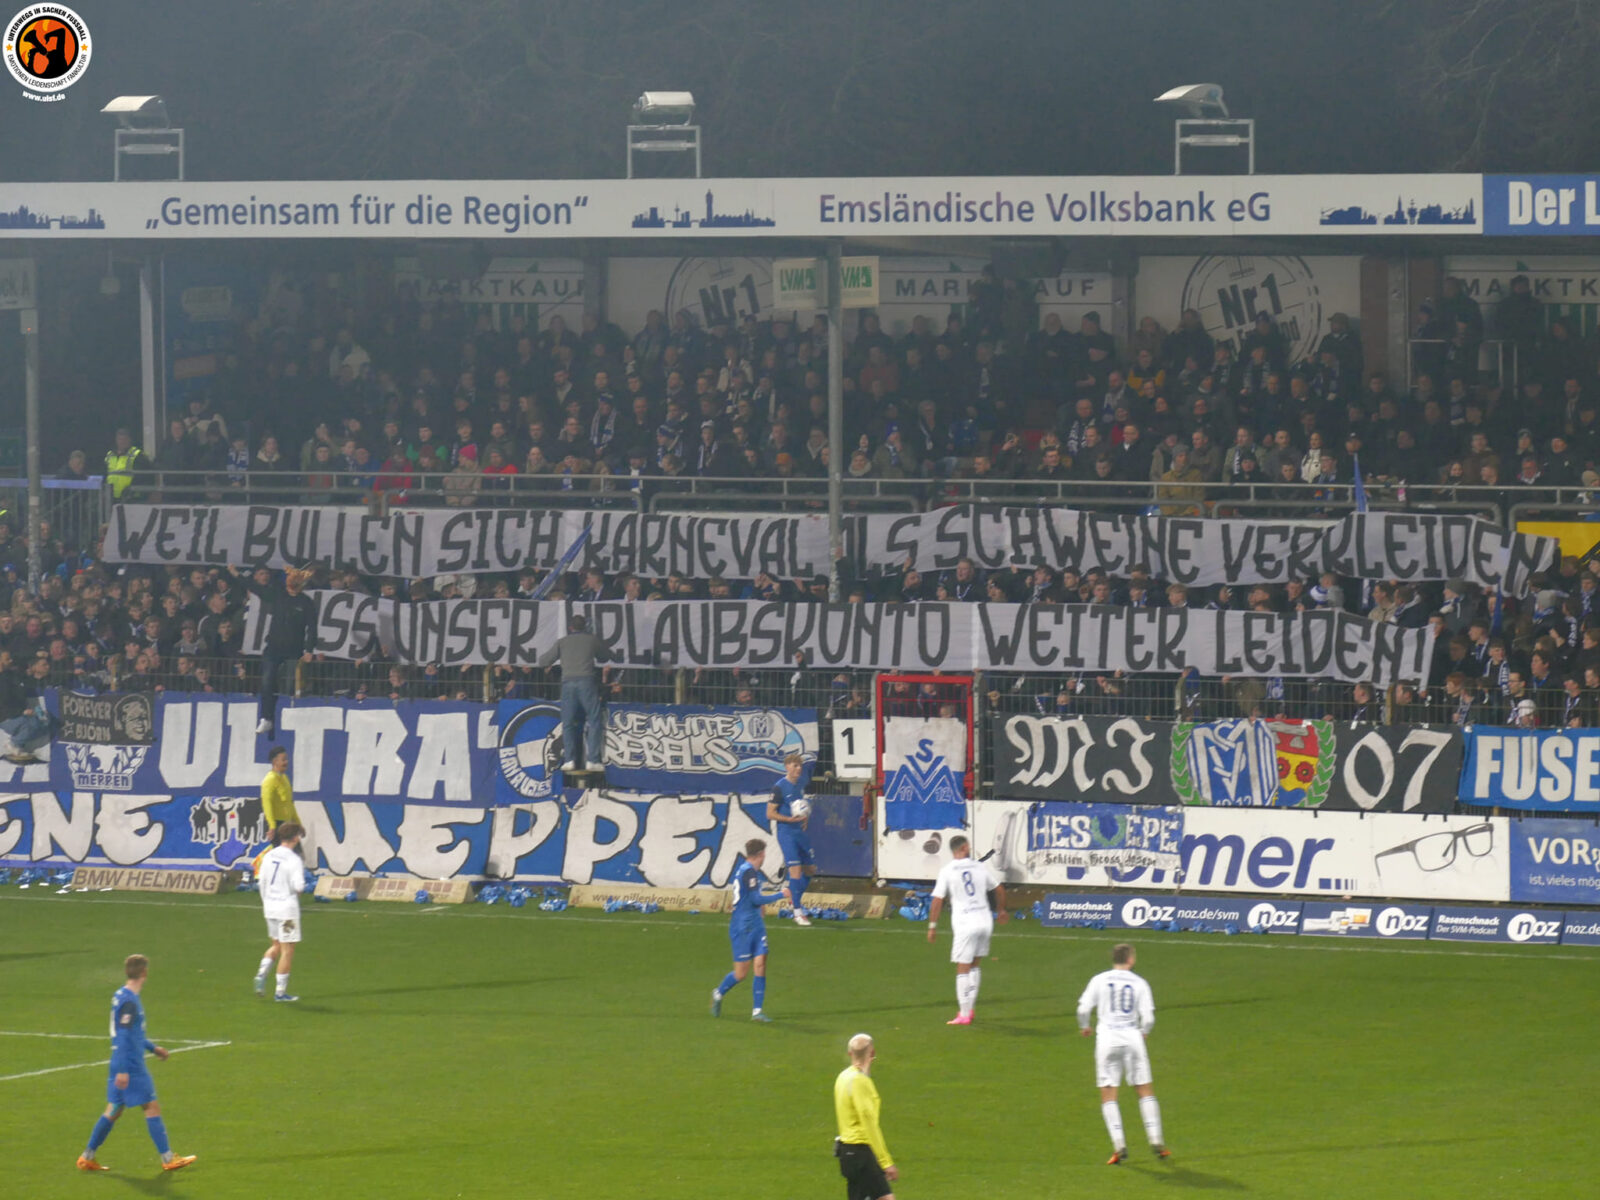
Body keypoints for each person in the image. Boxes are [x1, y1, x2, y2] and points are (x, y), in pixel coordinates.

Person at [76, 955, 197, 1173]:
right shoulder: (130, 1001)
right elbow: (123, 1035)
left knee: (113, 1110)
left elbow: (132, 1033)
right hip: (130, 1065)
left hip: (120, 1062)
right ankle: (168, 1157)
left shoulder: (121, 995)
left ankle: (87, 1156)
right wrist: (124, 1070)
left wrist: (153, 1048)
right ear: (144, 973)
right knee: (151, 1106)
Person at [1077, 943, 1169, 1164]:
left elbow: (1082, 1009)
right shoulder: (1140, 983)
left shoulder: (1099, 979)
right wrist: (1144, 1032)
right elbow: (1148, 1018)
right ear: (1130, 960)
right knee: (1144, 1089)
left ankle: (1119, 1145)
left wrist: (1084, 1026)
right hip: (1132, 1038)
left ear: (1114, 959)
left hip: (1107, 1040)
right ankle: (1156, 1140)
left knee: (1109, 1094)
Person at [227, 562, 316, 736]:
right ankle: (266, 718)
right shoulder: (277, 594)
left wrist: (309, 649)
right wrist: (235, 573)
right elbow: (253, 586)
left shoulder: (306, 603)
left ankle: (290, 716)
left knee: (291, 685)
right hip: (273, 648)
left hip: (294, 651)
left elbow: (312, 628)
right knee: (267, 681)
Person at [926, 835, 1007, 1025]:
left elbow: (937, 900)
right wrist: (1001, 910)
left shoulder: (947, 870)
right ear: (964, 847)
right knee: (975, 966)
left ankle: (963, 1014)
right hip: (985, 921)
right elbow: (1000, 889)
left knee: (962, 968)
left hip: (965, 923)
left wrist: (932, 926)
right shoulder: (979, 867)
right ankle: (969, 1010)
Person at [710, 837, 791, 1023]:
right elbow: (754, 899)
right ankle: (718, 993)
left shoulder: (750, 872)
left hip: (756, 925)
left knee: (761, 963)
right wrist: (781, 895)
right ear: (760, 854)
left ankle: (757, 1011)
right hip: (742, 927)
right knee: (741, 974)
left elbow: (750, 898)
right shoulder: (749, 873)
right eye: (764, 854)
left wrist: (759, 907)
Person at [833, 1032, 897, 1200]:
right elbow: (869, 1124)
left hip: (846, 1153)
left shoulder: (843, 1077)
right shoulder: (860, 1082)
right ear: (873, 1053)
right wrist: (885, 1162)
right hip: (861, 1152)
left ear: (850, 1054)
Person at [540, 614, 608, 771]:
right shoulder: (591, 640)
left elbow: (544, 660)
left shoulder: (562, 642)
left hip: (568, 683)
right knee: (594, 719)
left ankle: (569, 760)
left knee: (568, 722)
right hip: (587, 682)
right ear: (585, 626)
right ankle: (592, 760)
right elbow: (605, 656)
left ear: (571, 628)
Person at [253, 821, 307, 1002]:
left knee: (276, 945)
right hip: (287, 910)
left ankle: (261, 974)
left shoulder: (269, 856)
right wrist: (298, 890)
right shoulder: (294, 860)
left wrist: (266, 901)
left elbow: (261, 882)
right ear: (295, 838)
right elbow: (298, 885)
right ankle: (280, 993)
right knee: (287, 950)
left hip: (270, 908)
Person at [766, 753, 815, 928]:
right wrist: (788, 820)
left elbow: (800, 805)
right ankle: (797, 912)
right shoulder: (779, 787)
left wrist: (805, 816)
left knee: (810, 869)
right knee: (795, 871)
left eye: (800, 765)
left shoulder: (801, 783)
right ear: (786, 767)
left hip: (799, 832)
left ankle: (792, 897)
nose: (798, 768)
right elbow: (770, 813)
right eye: (794, 765)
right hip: (786, 833)